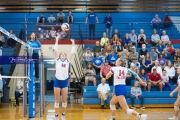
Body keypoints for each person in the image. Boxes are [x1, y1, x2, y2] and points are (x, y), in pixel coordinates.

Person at [52, 35, 75, 120]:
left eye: (64, 54)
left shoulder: (67, 61)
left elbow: (72, 53)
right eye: (62, 54)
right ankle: (56, 115)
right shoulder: (57, 60)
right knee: (57, 100)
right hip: (57, 81)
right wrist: (57, 40)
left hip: (65, 81)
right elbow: (55, 50)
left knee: (64, 101)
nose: (63, 55)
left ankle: (63, 114)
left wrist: (73, 43)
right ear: (60, 56)